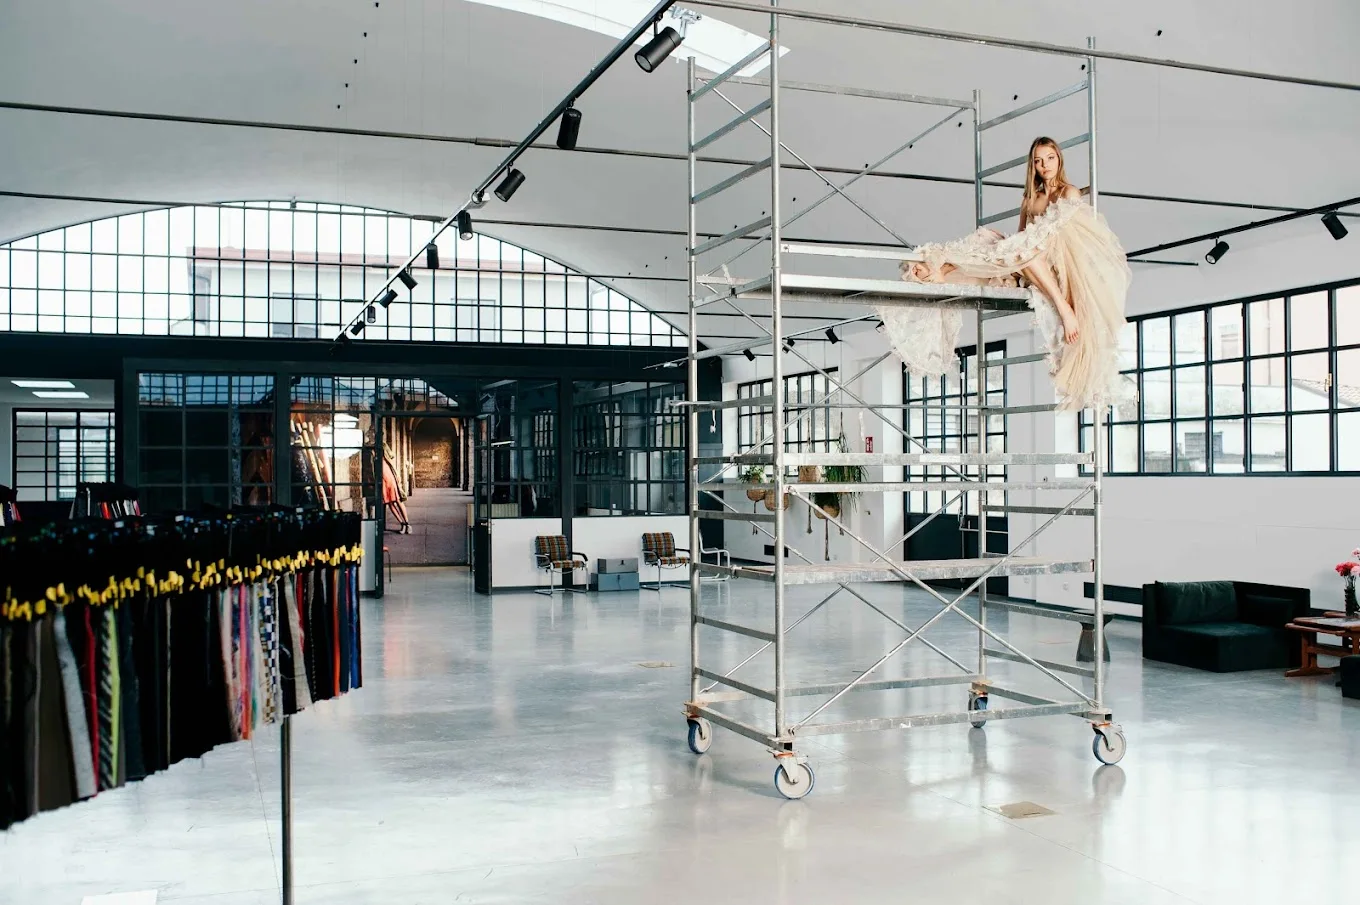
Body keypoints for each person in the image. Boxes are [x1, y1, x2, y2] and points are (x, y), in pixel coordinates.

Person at [887, 136, 1134, 412]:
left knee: (1021, 252)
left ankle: (1064, 308)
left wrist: (1023, 250)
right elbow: (1020, 235)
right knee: (988, 241)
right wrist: (1012, 250)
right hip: (1028, 260)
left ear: (1059, 159)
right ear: (1033, 165)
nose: (1045, 165)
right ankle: (941, 268)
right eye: (1038, 161)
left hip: (1055, 261)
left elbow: (1062, 237)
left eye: (1050, 158)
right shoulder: (1030, 199)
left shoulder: (1069, 193)